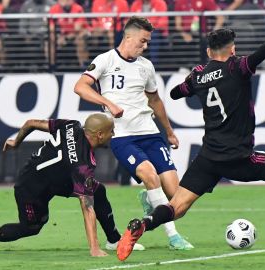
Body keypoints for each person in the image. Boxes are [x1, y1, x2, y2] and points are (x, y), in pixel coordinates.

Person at [116, 16, 265, 261]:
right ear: (233, 49)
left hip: (208, 158)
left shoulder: (198, 75)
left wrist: (194, 81)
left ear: (208, 51)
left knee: (177, 207)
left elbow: (176, 93)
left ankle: (143, 224)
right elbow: (262, 53)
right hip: (239, 157)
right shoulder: (237, 67)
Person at [74, 16, 194, 250]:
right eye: (143, 41)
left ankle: (149, 200)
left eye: (148, 42)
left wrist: (168, 132)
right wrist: (108, 103)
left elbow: (155, 99)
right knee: (150, 175)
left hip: (150, 132)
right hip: (122, 135)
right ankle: (173, 237)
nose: (145, 46)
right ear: (128, 37)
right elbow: (80, 87)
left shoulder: (145, 66)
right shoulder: (105, 60)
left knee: (177, 199)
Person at [0, 113, 144, 256]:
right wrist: (94, 248)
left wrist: (16, 141)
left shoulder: (70, 125)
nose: (113, 135)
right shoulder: (82, 166)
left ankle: (114, 240)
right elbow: (87, 207)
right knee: (31, 227)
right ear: (99, 134)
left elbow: (31, 122)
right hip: (31, 188)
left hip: (55, 179)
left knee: (98, 191)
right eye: (111, 131)